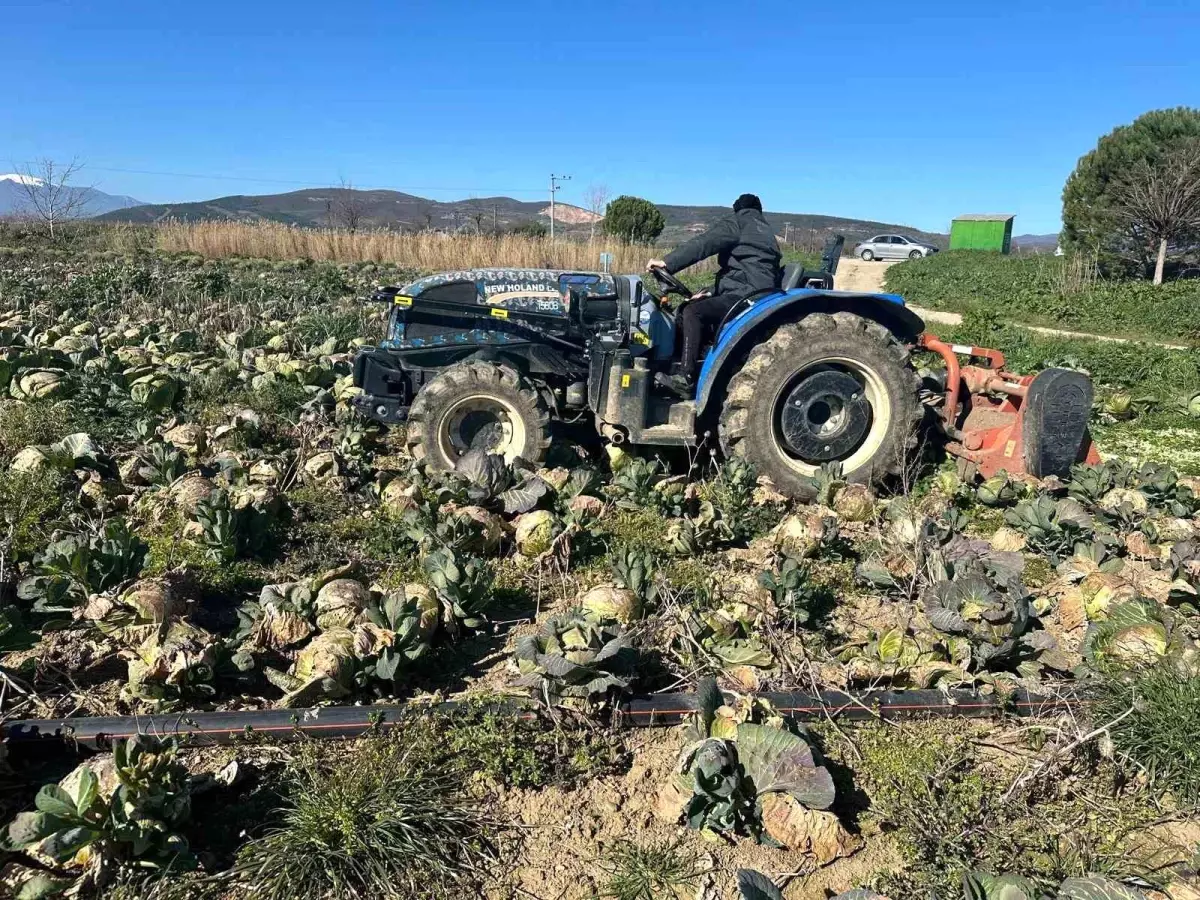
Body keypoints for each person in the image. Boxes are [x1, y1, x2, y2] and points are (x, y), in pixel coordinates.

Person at [647, 193, 782, 399]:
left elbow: (704, 243)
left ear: (737, 208)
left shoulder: (740, 222)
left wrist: (667, 263)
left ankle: (686, 378)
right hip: (757, 293)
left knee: (692, 312)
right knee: (689, 306)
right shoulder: (765, 230)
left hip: (746, 296)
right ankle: (693, 364)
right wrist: (709, 291)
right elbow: (744, 271)